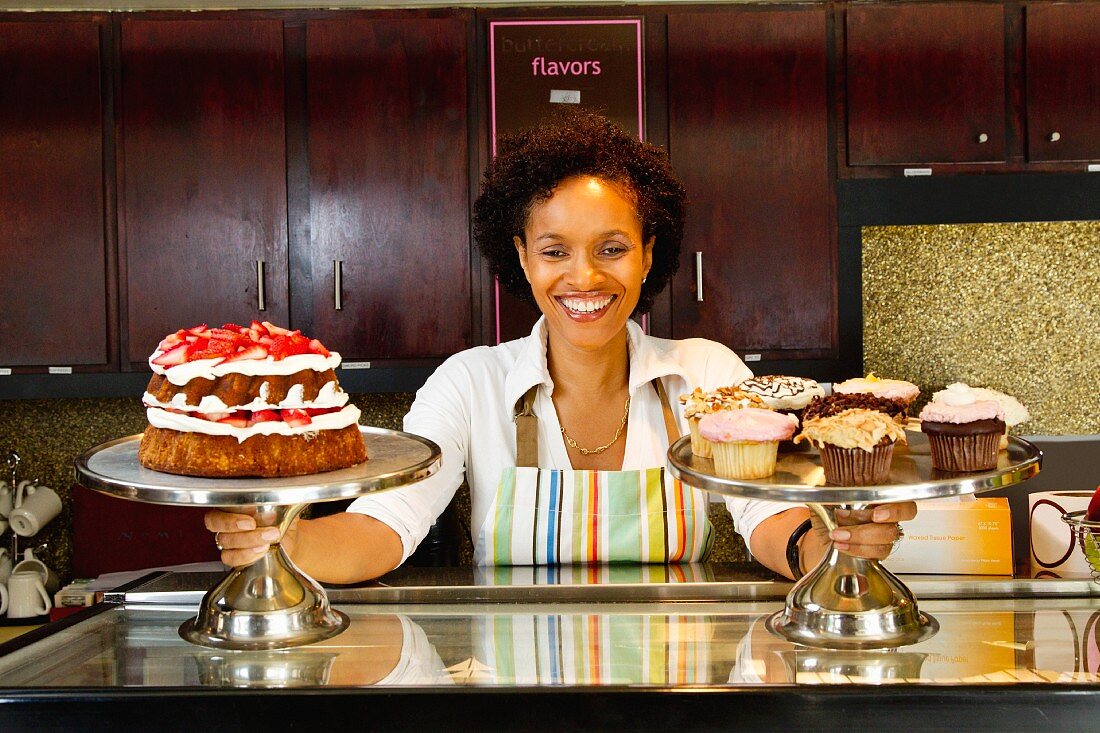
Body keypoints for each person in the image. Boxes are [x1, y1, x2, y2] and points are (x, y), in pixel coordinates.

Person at [205, 111, 915, 583]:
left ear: (647, 255)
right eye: (554, 251)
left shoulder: (704, 374)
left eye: (612, 248)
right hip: (515, 700)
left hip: (672, 702)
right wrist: (289, 547)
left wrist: (828, 548)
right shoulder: (469, 384)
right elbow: (387, 527)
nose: (584, 277)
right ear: (520, 256)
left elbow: (769, 515)